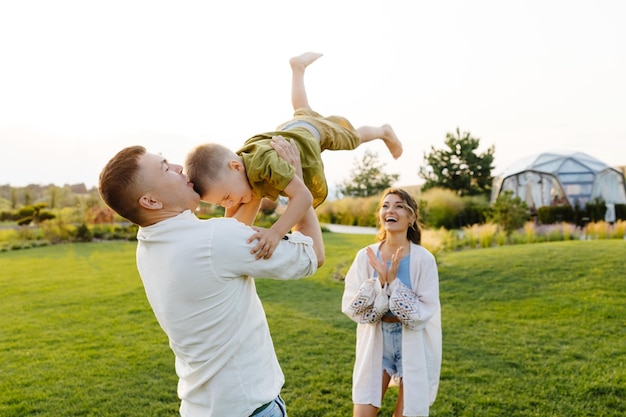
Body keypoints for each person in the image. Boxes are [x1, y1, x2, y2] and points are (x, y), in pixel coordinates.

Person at [98, 137, 324, 417]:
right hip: (249, 408)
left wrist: (249, 181)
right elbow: (312, 256)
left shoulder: (149, 245)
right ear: (151, 201)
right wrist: (297, 182)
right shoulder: (213, 240)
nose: (180, 168)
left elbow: (230, 235)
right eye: (165, 168)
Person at [185, 52, 403, 260]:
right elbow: (233, 224)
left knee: (353, 137)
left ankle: (383, 131)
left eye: (227, 197)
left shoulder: (265, 164)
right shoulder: (237, 173)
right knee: (301, 108)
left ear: (236, 166)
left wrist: (275, 232)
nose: (230, 203)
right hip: (292, 129)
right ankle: (297, 68)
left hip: (315, 132)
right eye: (224, 202)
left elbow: (303, 197)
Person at [341, 188, 441, 417]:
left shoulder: (424, 260)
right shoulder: (365, 256)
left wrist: (393, 284)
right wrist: (381, 285)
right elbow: (353, 308)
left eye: (398, 206)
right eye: (385, 205)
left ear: (411, 217)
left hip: (413, 345)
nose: (390, 210)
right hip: (377, 342)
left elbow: (422, 314)